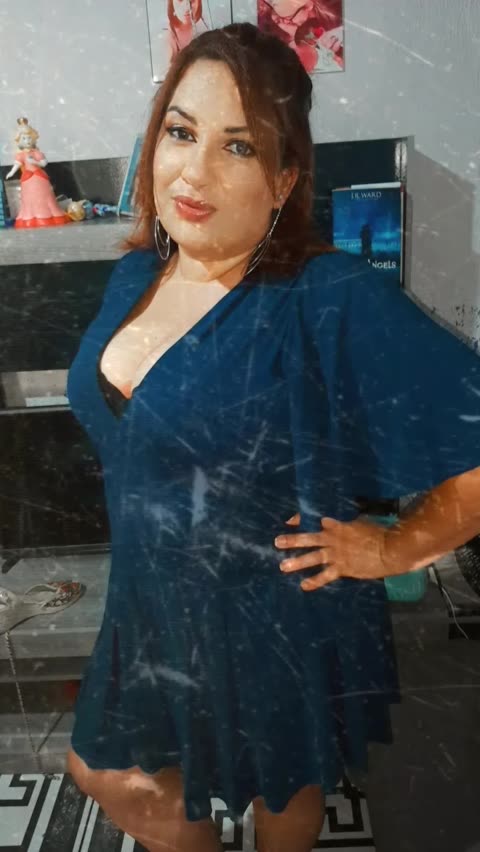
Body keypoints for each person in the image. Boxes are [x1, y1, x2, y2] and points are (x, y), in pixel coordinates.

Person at [65, 22, 480, 852]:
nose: (195, 171)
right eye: (180, 132)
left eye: (239, 147)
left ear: (285, 179)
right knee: (106, 770)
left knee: (282, 781)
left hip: (273, 613)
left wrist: (393, 549)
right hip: (149, 606)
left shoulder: (326, 293)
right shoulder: (136, 274)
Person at [5, 117, 71, 228]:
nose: (27, 141)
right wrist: (11, 173)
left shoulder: (37, 153)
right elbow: (16, 165)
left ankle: (50, 214)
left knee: (46, 196)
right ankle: (30, 216)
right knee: (29, 198)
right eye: (24, 138)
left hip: (40, 179)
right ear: (19, 141)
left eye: (29, 138)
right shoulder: (21, 155)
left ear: (33, 139)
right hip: (28, 180)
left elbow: (44, 163)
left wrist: (35, 162)